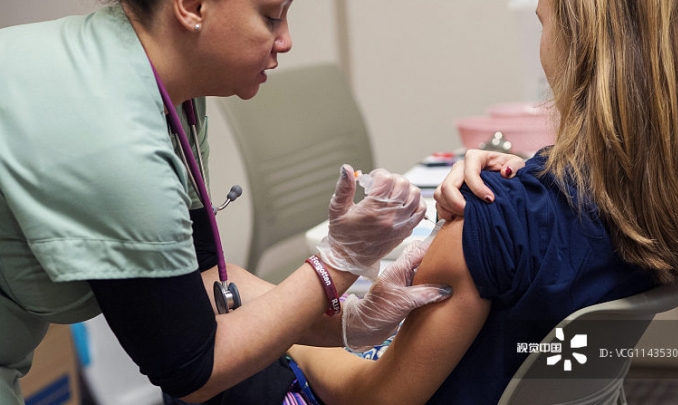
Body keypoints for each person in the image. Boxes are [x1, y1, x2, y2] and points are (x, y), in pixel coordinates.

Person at [0, 1, 460, 404]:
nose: (286, 41)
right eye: (271, 16)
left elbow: (202, 279)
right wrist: (339, 264)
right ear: (192, 6)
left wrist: (348, 322)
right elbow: (190, 369)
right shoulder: (112, 135)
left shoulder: (168, 93)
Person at [287, 0, 678, 403]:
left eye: (543, 24)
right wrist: (528, 176)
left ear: (580, 45)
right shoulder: (673, 205)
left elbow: (377, 397)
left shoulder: (493, 223)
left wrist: (289, 339)